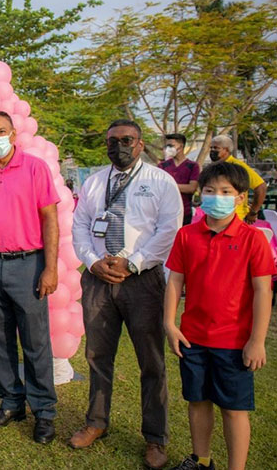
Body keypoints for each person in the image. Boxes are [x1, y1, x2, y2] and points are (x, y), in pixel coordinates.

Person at [70, 119, 183, 469]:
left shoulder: (160, 182)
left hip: (143, 282)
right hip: (98, 279)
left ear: (139, 143)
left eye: (126, 140)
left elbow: (169, 230)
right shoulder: (93, 182)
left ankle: (155, 438)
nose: (118, 146)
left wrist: (132, 263)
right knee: (97, 356)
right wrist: (91, 262)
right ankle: (96, 422)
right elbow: (79, 226)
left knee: (151, 362)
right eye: (112, 141)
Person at [164, 161, 275, 470]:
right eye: (210, 190)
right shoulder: (187, 235)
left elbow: (263, 292)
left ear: (241, 197)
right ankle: (200, 460)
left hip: (234, 342)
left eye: (226, 191)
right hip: (193, 337)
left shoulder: (254, 240)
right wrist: (170, 324)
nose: (217, 197)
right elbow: (175, 280)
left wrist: (257, 340)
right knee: (197, 401)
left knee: (233, 408)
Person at [0, 110, 60, 444]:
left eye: (1, 131)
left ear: (14, 134)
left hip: (28, 264)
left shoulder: (35, 168)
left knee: (35, 342)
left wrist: (50, 267)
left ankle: (44, 412)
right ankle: (11, 402)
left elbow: (50, 218)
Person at [208, 135, 266, 224]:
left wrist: (253, 212)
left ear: (226, 150)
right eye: (211, 147)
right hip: (216, 217)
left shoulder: (238, 166)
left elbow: (261, 186)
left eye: (216, 148)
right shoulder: (214, 167)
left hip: (236, 218)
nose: (212, 150)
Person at [158, 133, 200, 226]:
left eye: (171, 145)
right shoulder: (162, 165)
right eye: (167, 146)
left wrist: (169, 185)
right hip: (165, 212)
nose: (168, 148)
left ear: (180, 147)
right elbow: (158, 188)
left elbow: (192, 188)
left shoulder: (192, 166)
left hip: (185, 212)